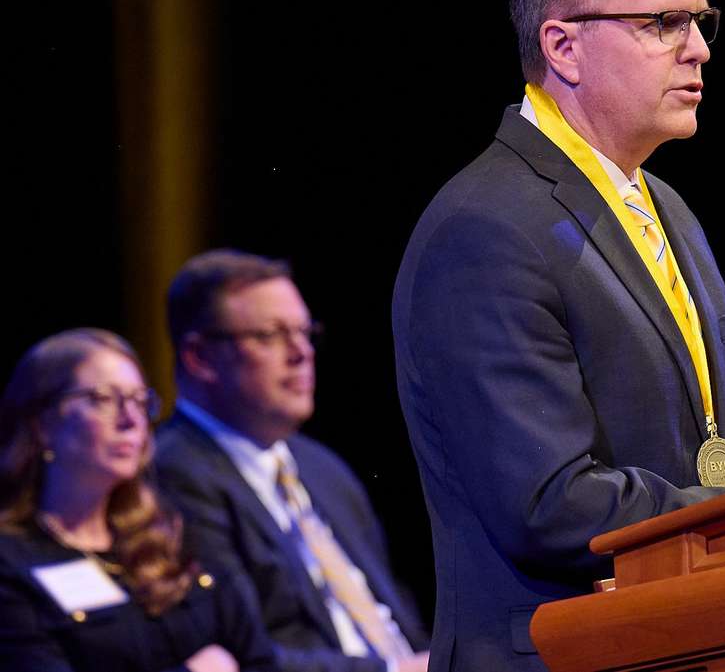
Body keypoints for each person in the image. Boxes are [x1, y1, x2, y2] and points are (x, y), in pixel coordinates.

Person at [392, 0, 725, 671]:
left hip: (686, 640)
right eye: (663, 23)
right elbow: (550, 506)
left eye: (701, 22)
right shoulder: (483, 230)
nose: (700, 50)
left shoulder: (660, 201)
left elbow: (708, 437)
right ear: (564, 46)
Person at [154, 249, 429, 672]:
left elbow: (397, 613)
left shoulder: (321, 466)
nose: (301, 352)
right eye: (270, 335)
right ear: (199, 357)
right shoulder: (174, 473)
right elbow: (244, 654)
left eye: (304, 331)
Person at [0, 328, 276, 672]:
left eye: (139, 402)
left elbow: (259, 659)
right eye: (102, 399)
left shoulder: (176, 533)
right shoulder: (11, 564)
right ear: (43, 424)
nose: (131, 420)